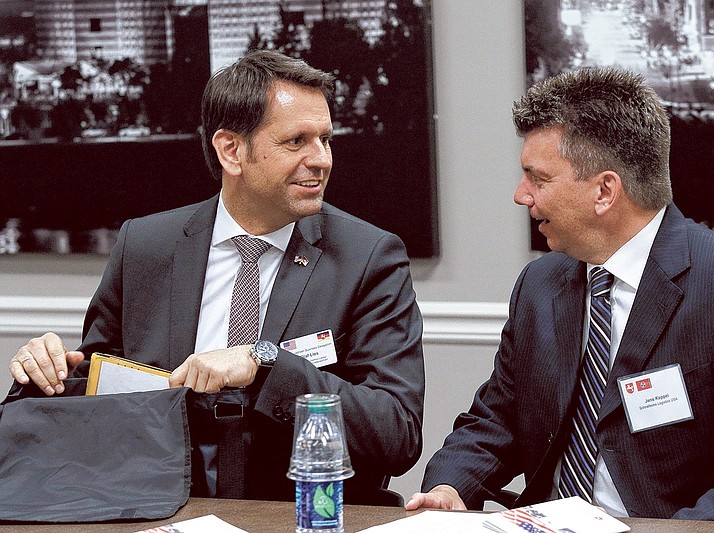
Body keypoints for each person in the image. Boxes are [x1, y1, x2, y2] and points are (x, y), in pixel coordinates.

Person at [7, 50, 424, 504]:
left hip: (301, 515)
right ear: (231, 150)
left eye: (325, 139)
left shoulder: (369, 257)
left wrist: (265, 364)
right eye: (296, 141)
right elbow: (105, 398)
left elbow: (396, 433)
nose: (321, 159)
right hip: (161, 511)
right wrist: (46, 375)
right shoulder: (146, 245)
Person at [406, 67, 714, 531]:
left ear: (604, 191)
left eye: (538, 178)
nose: (520, 195)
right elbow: (496, 419)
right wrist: (450, 488)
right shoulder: (540, 283)